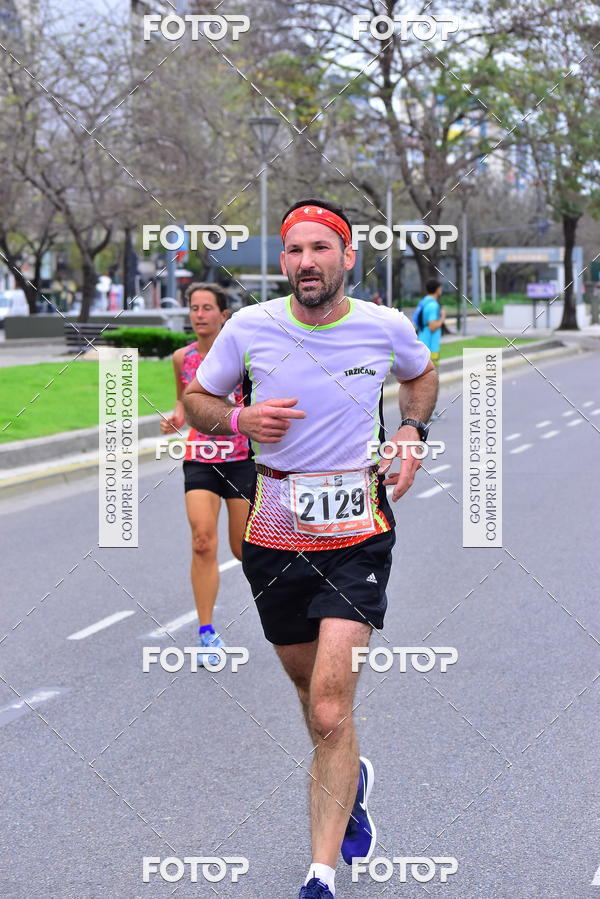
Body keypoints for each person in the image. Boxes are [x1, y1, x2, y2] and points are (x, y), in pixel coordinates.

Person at [183, 201, 438, 898]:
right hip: (273, 532)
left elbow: (422, 372)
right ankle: (349, 779)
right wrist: (239, 416)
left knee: (329, 707)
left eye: (319, 248)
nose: (305, 262)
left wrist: (411, 430)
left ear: (347, 257)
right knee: (310, 694)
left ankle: (319, 875)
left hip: (358, 531)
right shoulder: (249, 327)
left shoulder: (383, 326)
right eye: (294, 250)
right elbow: (198, 397)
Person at [160, 282, 255, 665]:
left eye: (206, 308)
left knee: (242, 548)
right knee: (202, 540)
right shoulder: (181, 357)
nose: (199, 315)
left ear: (223, 315)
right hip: (200, 456)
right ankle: (206, 633)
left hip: (240, 457)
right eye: (194, 308)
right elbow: (184, 401)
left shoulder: (241, 357)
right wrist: (177, 416)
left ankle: (289, 603)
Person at [413, 278, 445, 367]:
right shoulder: (433, 305)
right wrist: (442, 317)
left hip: (422, 340)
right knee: (432, 374)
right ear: (437, 289)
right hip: (431, 347)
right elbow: (433, 326)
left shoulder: (423, 302)